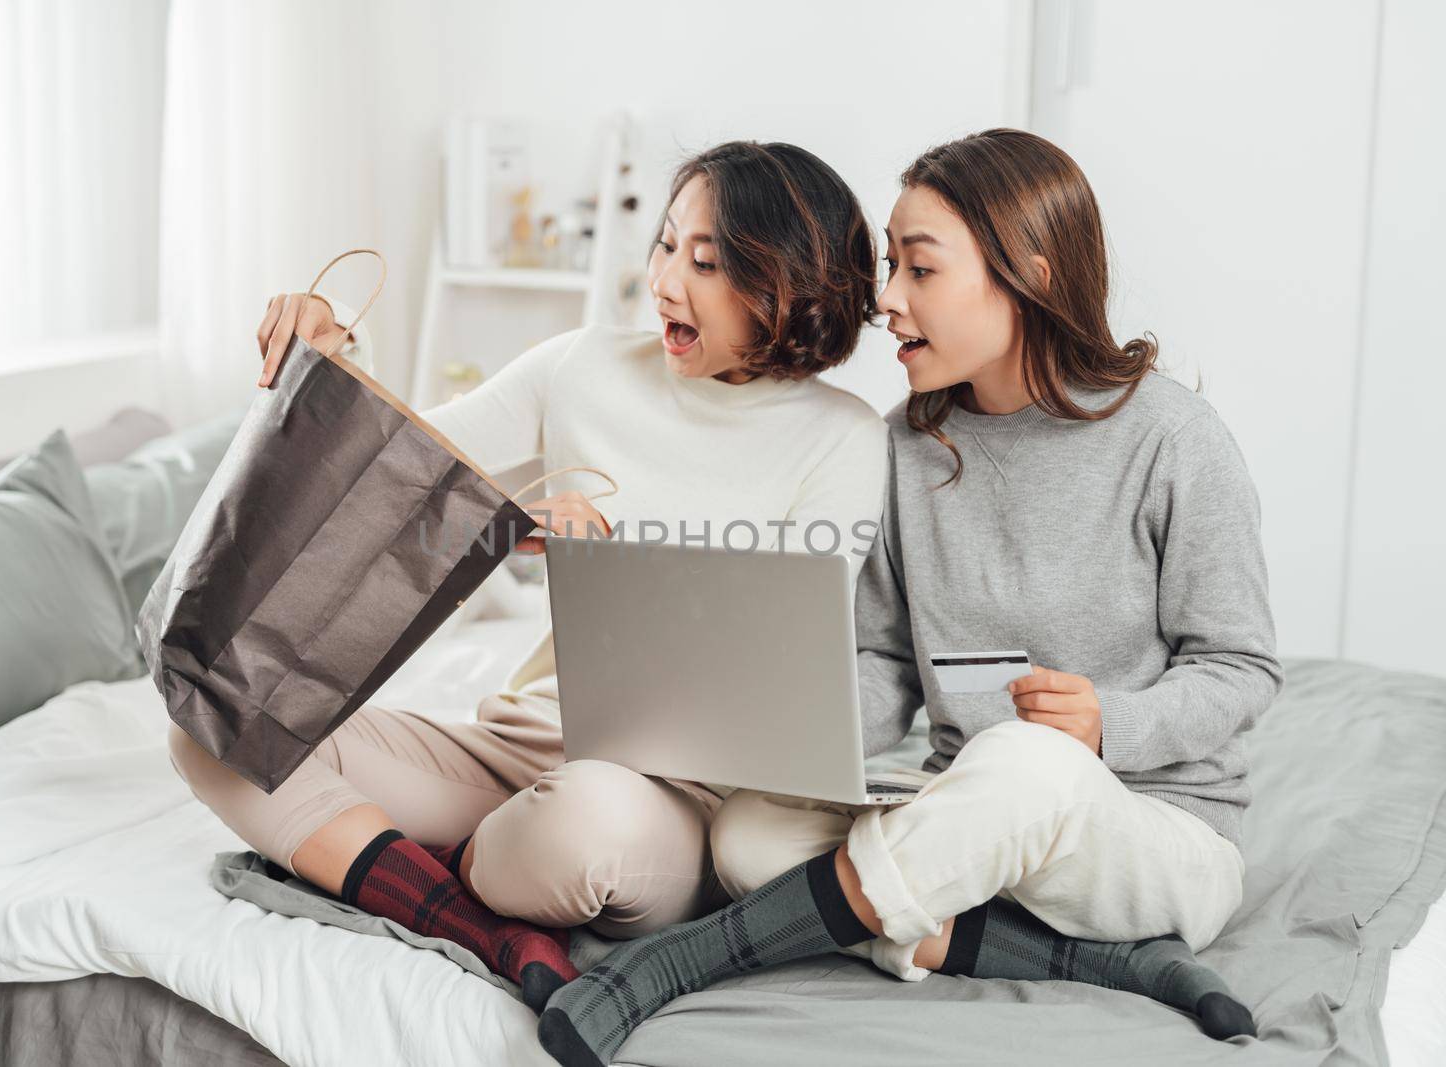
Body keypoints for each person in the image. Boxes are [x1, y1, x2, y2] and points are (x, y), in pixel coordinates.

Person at [535, 129, 1279, 1065]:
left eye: (919, 270)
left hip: (1150, 833)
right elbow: (885, 657)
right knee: (752, 830)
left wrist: (1107, 727)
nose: (885, 300)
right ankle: (1086, 959)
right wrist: (795, 723)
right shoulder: (907, 446)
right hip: (959, 809)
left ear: (1031, 278)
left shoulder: (1174, 441)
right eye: (892, 265)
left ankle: (685, 960)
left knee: (1030, 764)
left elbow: (1241, 668)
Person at [167, 141, 892, 1009]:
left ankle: (399, 857)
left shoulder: (845, 438)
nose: (664, 283)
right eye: (665, 246)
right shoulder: (582, 366)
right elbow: (396, 470)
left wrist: (616, 567)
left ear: (793, 286)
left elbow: (780, 660)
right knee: (213, 724)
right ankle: (474, 921)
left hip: (674, 796)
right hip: (517, 745)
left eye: (706, 263)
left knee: (584, 830)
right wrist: (330, 350)